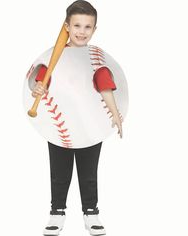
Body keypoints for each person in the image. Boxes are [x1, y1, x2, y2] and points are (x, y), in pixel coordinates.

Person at [31, 1, 123, 235]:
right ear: (67, 27)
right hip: (58, 124)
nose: (82, 31)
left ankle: (91, 212)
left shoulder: (96, 59)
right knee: (59, 171)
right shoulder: (54, 56)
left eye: (87, 27)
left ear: (94, 29)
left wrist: (115, 113)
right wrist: (37, 89)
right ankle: (57, 212)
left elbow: (104, 86)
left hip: (89, 124)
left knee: (88, 171)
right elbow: (40, 78)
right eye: (77, 25)